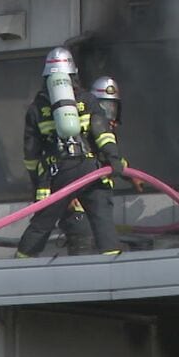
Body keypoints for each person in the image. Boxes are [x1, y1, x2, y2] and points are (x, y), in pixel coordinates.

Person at [17, 48, 125, 258]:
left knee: (42, 224)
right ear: (73, 74)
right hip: (90, 168)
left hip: (58, 172)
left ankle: (19, 266)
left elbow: (31, 153)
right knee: (102, 221)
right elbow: (102, 134)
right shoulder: (88, 100)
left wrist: (37, 183)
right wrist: (114, 160)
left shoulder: (37, 108)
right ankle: (114, 267)